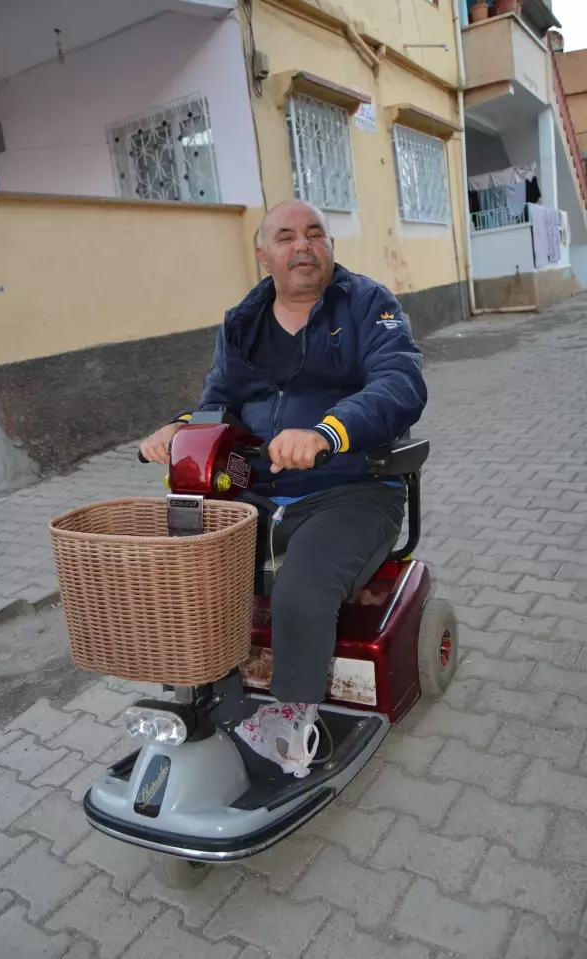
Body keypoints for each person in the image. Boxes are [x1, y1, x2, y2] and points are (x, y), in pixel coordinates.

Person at [141, 199, 427, 777]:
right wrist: (183, 427)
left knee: (302, 586)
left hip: (354, 487)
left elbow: (401, 381)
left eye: (315, 233)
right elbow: (219, 399)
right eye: (287, 236)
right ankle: (202, 691)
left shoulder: (369, 305)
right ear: (263, 253)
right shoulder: (242, 322)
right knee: (189, 564)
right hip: (259, 491)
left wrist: (328, 432)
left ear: (329, 246)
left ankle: (289, 727)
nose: (303, 245)